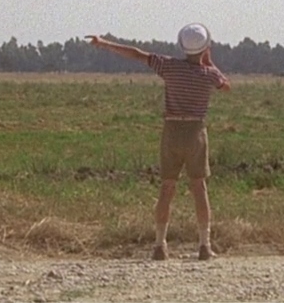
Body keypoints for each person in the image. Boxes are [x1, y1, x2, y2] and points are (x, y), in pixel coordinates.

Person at [87, 23, 231, 262]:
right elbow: (226, 86)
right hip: (196, 132)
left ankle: (159, 245)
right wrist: (210, 62)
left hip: (171, 131)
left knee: (167, 188)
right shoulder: (209, 74)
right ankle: (204, 245)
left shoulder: (169, 66)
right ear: (205, 46)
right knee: (199, 188)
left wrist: (104, 43)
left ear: (182, 45)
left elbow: (137, 54)